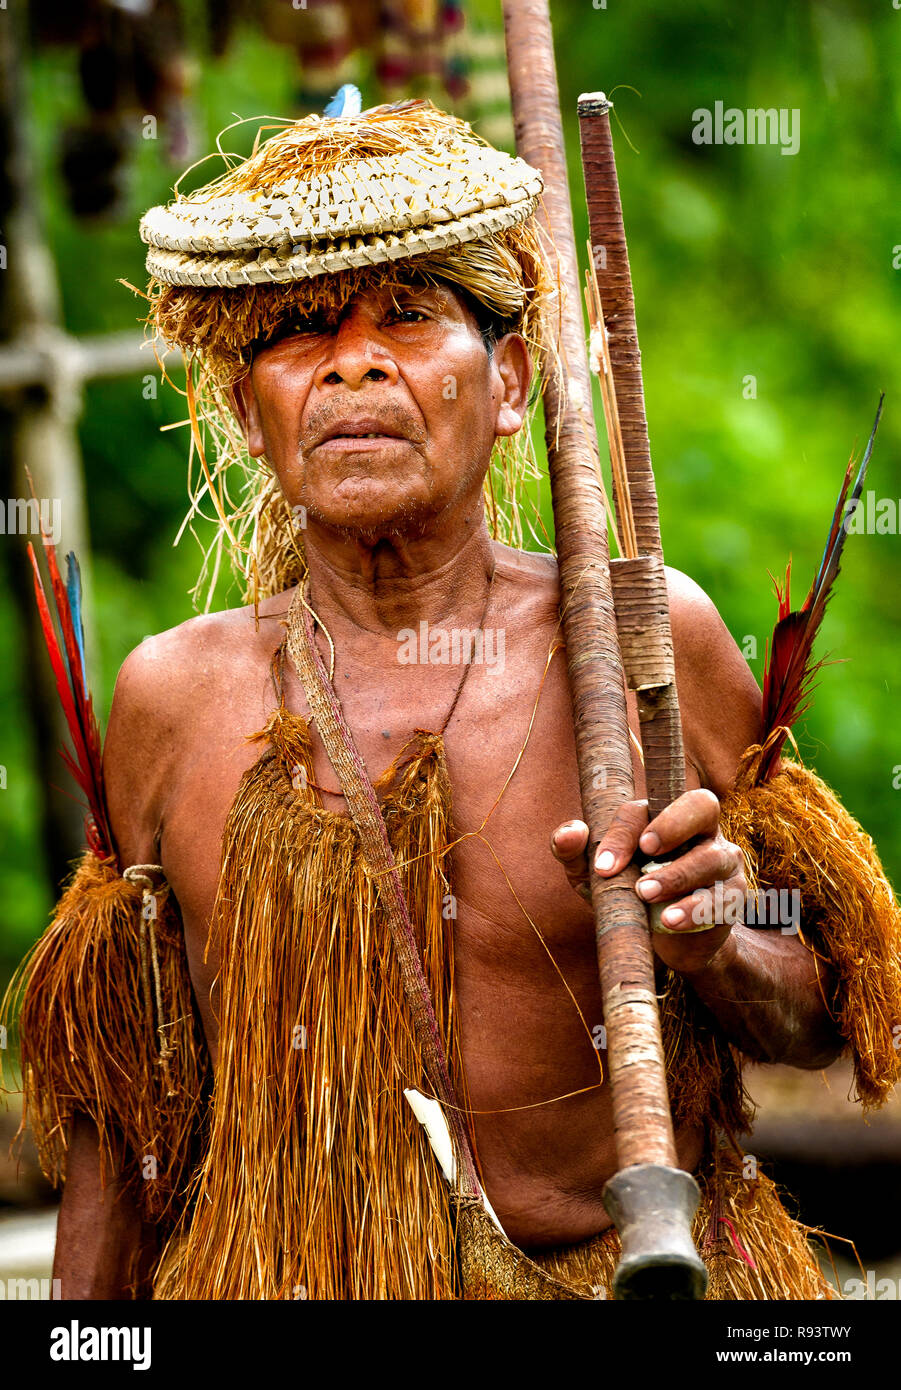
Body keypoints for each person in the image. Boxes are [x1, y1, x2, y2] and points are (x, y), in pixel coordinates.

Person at [8, 99, 901, 1301]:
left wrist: (719, 939)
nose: (356, 362)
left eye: (411, 319)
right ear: (245, 413)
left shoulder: (645, 638)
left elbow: (821, 1020)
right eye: (303, 333)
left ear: (514, 379)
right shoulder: (175, 695)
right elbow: (121, 1124)